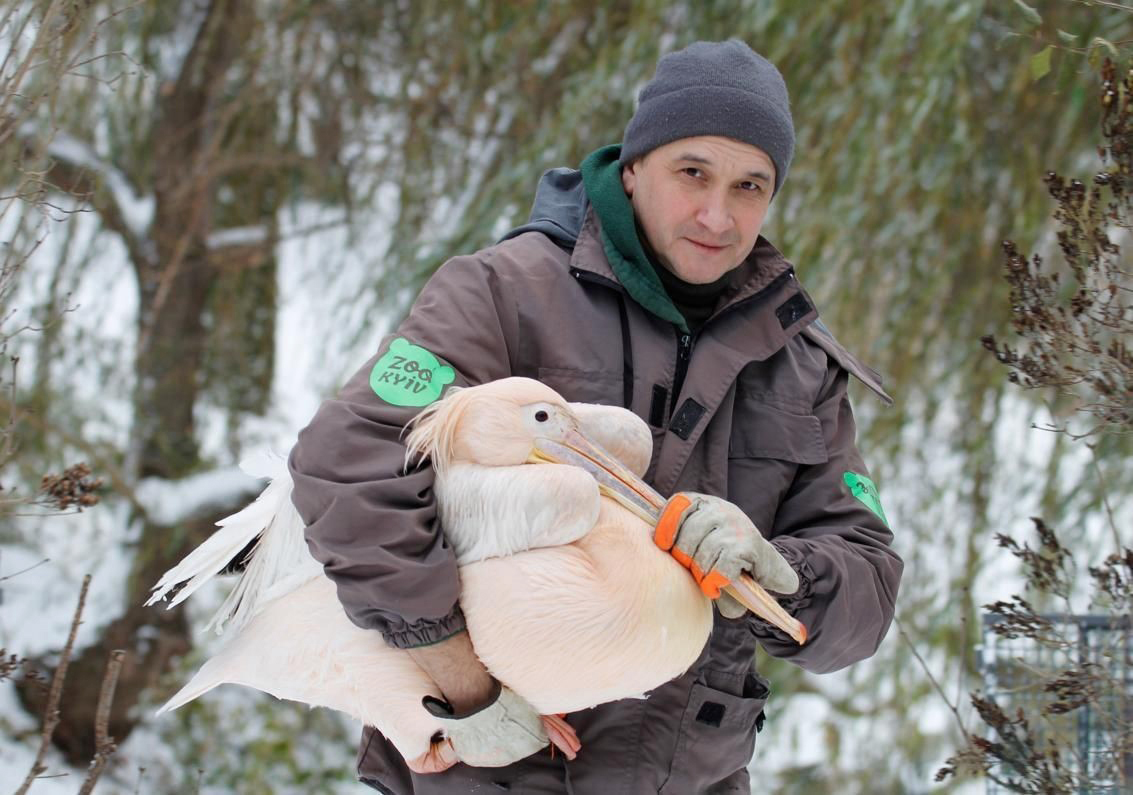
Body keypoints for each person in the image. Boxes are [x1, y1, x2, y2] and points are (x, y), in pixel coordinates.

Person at [289, 39, 903, 794]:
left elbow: (867, 584)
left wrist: (786, 572)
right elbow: (347, 463)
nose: (718, 213)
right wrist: (456, 675)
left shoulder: (800, 361)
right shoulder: (500, 293)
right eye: (692, 173)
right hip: (487, 772)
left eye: (749, 185)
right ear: (634, 165)